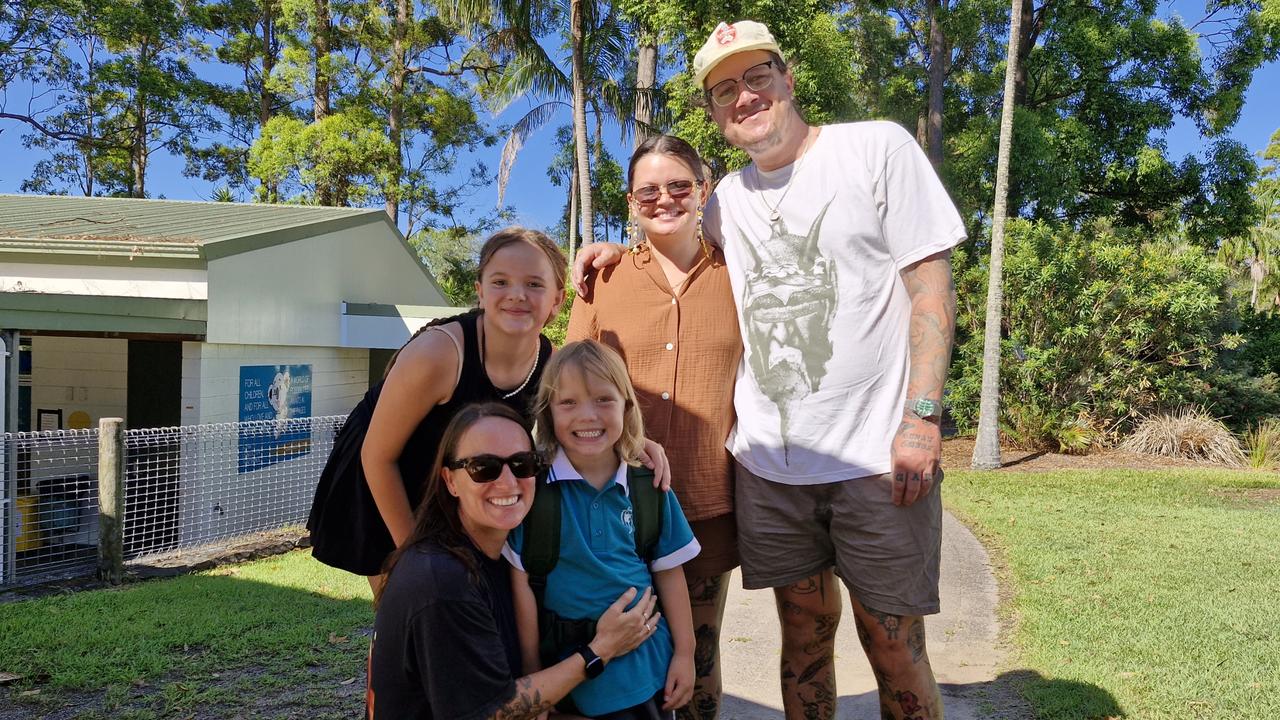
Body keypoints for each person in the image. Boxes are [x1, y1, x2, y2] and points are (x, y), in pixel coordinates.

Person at [574, 20, 965, 720]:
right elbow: (668, 234)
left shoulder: (875, 149)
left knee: (896, 645)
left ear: (787, 79)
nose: (745, 95)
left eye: (757, 77)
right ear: (715, 114)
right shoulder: (726, 201)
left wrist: (923, 417)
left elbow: (930, 287)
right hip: (773, 471)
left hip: (876, 459)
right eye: (725, 89)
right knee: (804, 643)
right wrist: (608, 248)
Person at [566, 135, 742, 719]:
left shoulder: (742, 273)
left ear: (703, 191)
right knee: (612, 666)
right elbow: (569, 389)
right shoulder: (603, 280)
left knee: (697, 665)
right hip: (610, 507)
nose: (663, 199)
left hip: (705, 502)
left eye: (678, 186)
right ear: (630, 202)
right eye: (648, 191)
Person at [367, 401, 661, 719]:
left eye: (522, 464)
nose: (508, 482)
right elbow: (494, 711)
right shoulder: (442, 581)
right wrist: (600, 650)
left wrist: (630, 444)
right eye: (484, 468)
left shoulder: (498, 556)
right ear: (450, 481)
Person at [505, 340, 700, 718]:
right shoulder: (534, 491)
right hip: (568, 678)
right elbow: (521, 585)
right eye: (569, 403)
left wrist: (685, 653)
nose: (587, 416)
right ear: (548, 413)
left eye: (603, 400)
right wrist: (534, 674)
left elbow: (670, 574)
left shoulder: (649, 487)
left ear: (627, 408)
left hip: (646, 673)